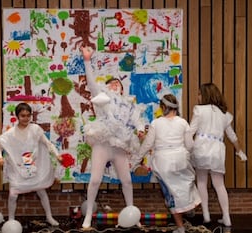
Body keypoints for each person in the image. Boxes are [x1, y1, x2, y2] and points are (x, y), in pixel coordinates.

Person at [80, 46, 146, 229]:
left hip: (119, 146)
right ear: (107, 87)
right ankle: (87, 217)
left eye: (119, 83)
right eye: (112, 83)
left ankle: (132, 213)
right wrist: (87, 60)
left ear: (123, 88)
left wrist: (140, 130)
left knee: (126, 180)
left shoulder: (129, 105)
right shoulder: (103, 98)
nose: (116, 84)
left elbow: (137, 120)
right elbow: (92, 83)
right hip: (102, 143)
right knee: (95, 180)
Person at [132, 94, 201, 233]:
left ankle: (181, 227)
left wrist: (136, 160)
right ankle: (189, 208)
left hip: (163, 163)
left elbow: (147, 145)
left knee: (171, 195)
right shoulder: (183, 122)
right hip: (181, 160)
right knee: (186, 187)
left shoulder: (156, 123)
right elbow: (190, 145)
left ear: (163, 107)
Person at [185, 83, 247, 227]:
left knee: (201, 181)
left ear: (206, 95)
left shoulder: (199, 110)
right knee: (219, 184)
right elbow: (232, 136)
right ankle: (226, 216)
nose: (198, 97)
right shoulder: (224, 114)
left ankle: (206, 214)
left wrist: (188, 147)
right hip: (218, 150)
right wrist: (240, 151)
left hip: (201, 148)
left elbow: (190, 131)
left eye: (200, 94)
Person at [0, 102, 62, 226]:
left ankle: (49, 217)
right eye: (23, 116)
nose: (26, 118)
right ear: (17, 116)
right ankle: (11, 220)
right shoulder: (10, 134)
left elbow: (48, 144)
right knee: (13, 194)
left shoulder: (35, 129)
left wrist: (57, 155)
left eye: (28, 115)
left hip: (34, 168)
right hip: (17, 170)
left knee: (41, 191)